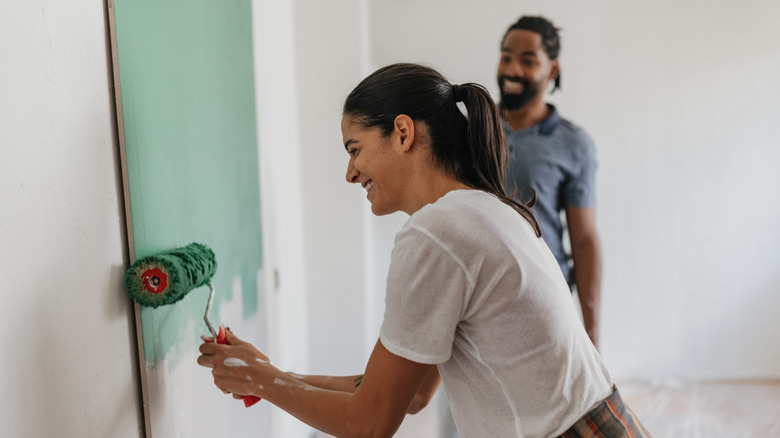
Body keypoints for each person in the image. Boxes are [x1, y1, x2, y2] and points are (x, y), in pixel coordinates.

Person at [197, 63, 648, 438]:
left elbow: (370, 423)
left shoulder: (438, 231)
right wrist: (272, 373)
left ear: (403, 132)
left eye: (355, 149)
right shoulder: (480, 209)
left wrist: (261, 380)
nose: (350, 174)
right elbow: (411, 394)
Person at [498, 16, 603, 348]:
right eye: (506, 56)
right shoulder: (469, 128)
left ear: (552, 69)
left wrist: (591, 336)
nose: (512, 69)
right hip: (472, 291)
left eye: (528, 61)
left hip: (544, 298)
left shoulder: (574, 144)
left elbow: (584, 241)